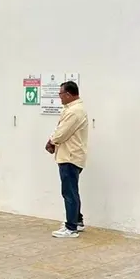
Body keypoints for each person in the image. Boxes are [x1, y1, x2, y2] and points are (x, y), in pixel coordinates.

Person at [45, 81, 88, 238]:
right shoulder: (74, 109)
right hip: (71, 154)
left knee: (69, 192)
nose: (60, 97)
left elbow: (62, 132)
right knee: (72, 190)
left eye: (61, 94)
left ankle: (71, 228)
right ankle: (77, 220)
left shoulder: (74, 111)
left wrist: (50, 142)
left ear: (69, 94)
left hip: (70, 156)